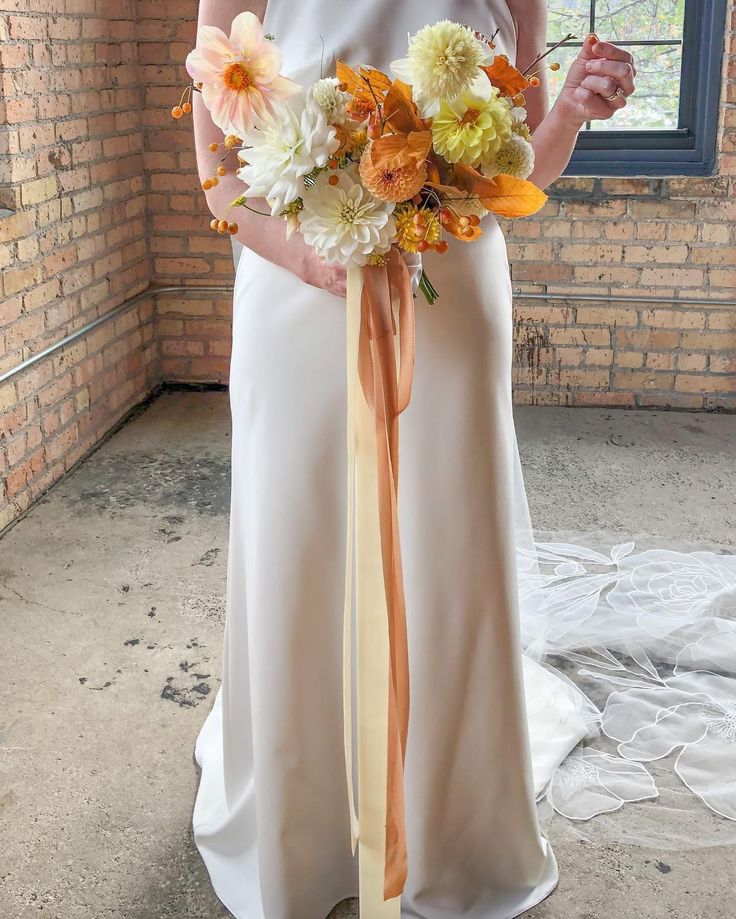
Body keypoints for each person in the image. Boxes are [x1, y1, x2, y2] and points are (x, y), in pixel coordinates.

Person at [191, 3, 636, 918]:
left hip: (454, 292)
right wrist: (312, 257)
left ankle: (451, 828)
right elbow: (215, 172)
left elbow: (526, 165)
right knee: (300, 537)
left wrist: (570, 116)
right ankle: (302, 830)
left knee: (444, 543)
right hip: (297, 288)